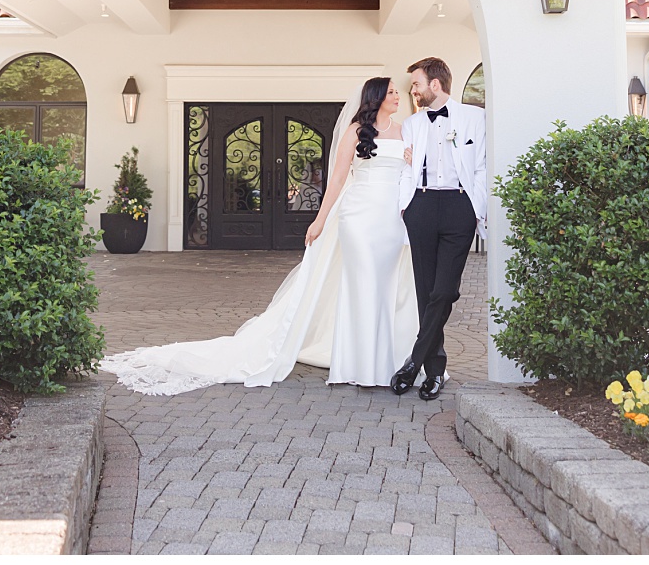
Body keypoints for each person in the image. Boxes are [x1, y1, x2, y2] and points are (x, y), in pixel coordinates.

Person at [99, 77, 418, 395]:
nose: (396, 96)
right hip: (358, 218)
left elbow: (414, 175)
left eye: (396, 92)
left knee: (389, 286)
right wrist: (319, 221)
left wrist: (413, 162)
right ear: (375, 97)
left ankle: (388, 360)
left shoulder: (405, 131)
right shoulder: (355, 132)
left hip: (391, 221)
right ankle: (360, 365)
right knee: (361, 285)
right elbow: (335, 181)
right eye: (390, 92)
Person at [390, 57, 489, 401]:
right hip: (422, 207)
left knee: (445, 291)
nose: (412, 91)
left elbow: (482, 168)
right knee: (425, 291)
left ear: (435, 84)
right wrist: (406, 207)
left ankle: (413, 363)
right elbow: (407, 168)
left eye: (416, 84)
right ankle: (434, 371)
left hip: (459, 207)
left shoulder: (476, 118)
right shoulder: (412, 124)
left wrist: (475, 210)